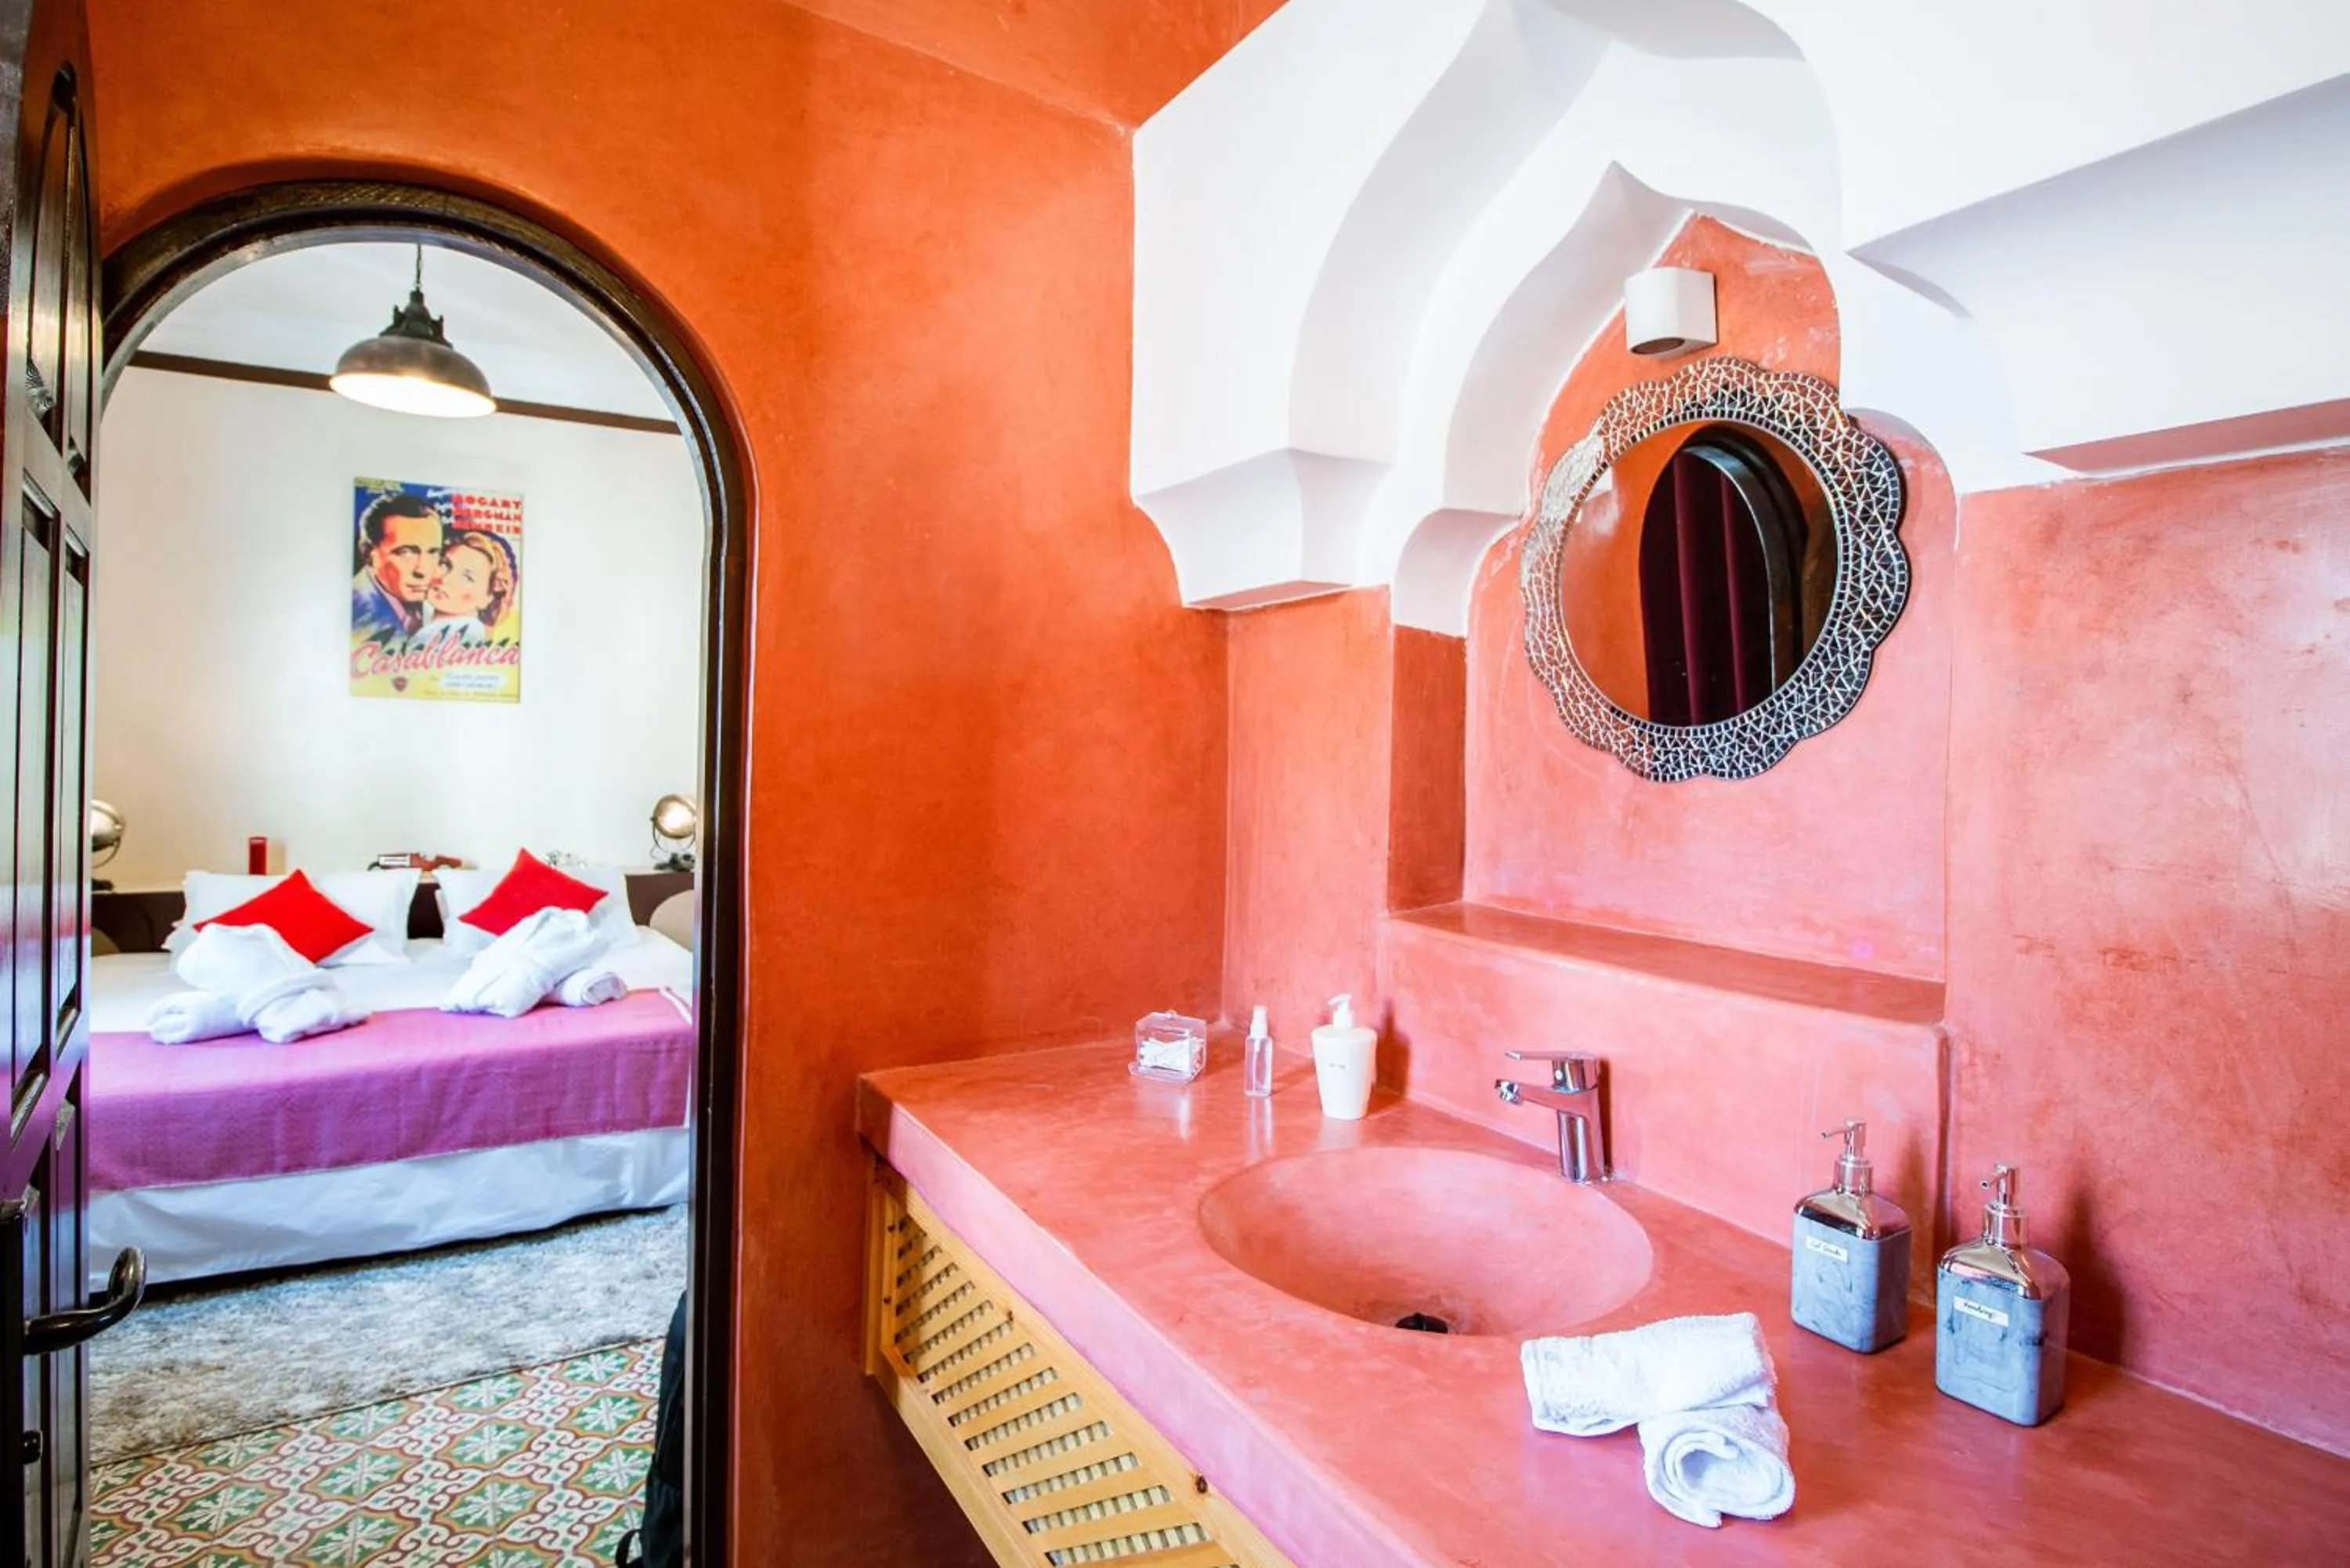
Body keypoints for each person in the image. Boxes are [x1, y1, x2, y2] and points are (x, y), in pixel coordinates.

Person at [351, 492, 446, 646]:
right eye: (406, 552)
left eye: (433, 552)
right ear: (369, 555)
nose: (422, 571)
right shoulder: (357, 615)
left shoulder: (439, 605)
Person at [411, 529, 518, 649]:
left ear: (489, 597)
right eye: (445, 564)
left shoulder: (461, 632)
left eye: (468, 578)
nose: (445, 579)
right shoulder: (428, 626)